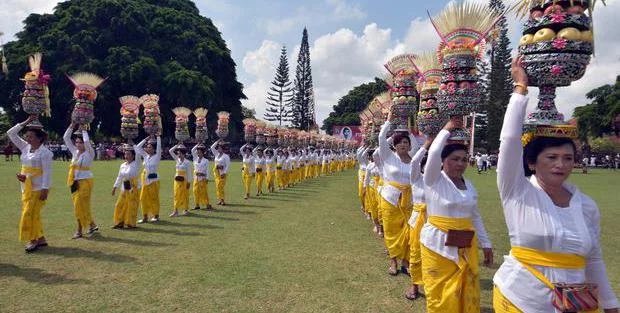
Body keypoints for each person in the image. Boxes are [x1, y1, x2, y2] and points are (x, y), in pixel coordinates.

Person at [492, 56, 619, 313]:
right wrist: (520, 88)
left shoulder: (586, 206)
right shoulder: (517, 191)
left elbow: (593, 259)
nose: (560, 164)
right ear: (531, 163)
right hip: (520, 299)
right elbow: (509, 140)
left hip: (574, 305)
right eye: (551, 157)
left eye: (568, 158)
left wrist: (611, 305)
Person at [421, 118, 493, 313]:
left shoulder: (469, 185)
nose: (460, 164)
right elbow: (434, 152)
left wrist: (486, 244)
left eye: (463, 160)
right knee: (439, 295)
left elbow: (475, 216)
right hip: (437, 245)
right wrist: (447, 129)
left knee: (464, 289)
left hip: (465, 244)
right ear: (442, 162)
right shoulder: (434, 179)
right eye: (454, 159)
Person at [378, 118, 420, 276]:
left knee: (409, 232)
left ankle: (405, 262)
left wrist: (409, 131)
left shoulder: (414, 160)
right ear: (394, 145)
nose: (403, 144)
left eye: (406, 142)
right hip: (390, 200)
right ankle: (393, 261)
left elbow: (417, 146)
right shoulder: (388, 157)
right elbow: (381, 138)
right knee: (391, 231)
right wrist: (389, 121)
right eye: (400, 142)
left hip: (409, 201)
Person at [7, 115, 53, 252]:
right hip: (25, 187)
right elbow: (11, 133)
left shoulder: (46, 153)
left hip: (38, 188)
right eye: (27, 136)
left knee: (28, 213)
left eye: (31, 136)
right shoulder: (25, 148)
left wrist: (45, 189)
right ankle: (41, 238)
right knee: (34, 214)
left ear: (39, 138)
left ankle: (32, 240)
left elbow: (47, 173)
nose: (28, 139)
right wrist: (26, 121)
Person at [405, 137, 431, 300]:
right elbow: (414, 162)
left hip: (435, 223)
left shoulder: (441, 182)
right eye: (427, 166)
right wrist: (427, 144)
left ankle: (431, 286)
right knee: (415, 254)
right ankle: (414, 286)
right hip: (417, 221)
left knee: (432, 255)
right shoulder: (416, 179)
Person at [63, 123, 98, 239]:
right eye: (77, 142)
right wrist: (72, 126)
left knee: (79, 205)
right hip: (74, 182)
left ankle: (79, 229)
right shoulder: (74, 152)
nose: (78, 144)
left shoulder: (89, 153)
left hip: (86, 181)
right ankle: (92, 224)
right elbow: (66, 138)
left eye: (80, 142)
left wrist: (84, 131)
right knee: (82, 205)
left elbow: (87, 143)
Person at [112, 145, 141, 229]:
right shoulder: (123, 165)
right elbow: (119, 177)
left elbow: (138, 153)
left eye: (128, 154)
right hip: (124, 187)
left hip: (134, 187)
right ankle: (119, 222)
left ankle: (130, 223)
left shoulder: (136, 163)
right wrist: (114, 187)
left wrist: (133, 145)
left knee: (131, 205)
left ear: (133, 155)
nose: (126, 156)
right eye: (125, 154)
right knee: (119, 205)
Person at [135, 136, 162, 223]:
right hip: (145, 179)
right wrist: (146, 139)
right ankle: (145, 216)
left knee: (154, 198)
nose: (148, 148)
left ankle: (156, 215)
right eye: (147, 147)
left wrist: (158, 137)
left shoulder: (157, 156)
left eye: (150, 147)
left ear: (154, 149)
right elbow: (138, 147)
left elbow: (159, 147)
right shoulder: (145, 156)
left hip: (154, 180)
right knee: (143, 198)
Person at [169, 144, 192, 216]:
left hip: (184, 181)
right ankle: (175, 211)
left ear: (183, 153)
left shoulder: (187, 162)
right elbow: (170, 151)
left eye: (180, 153)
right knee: (176, 195)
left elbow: (189, 173)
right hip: (177, 180)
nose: (178, 154)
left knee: (185, 195)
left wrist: (189, 182)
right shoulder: (177, 160)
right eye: (178, 153)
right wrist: (177, 145)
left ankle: (185, 210)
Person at [191, 143, 212, 211]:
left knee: (204, 192)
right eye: (198, 152)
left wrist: (207, 178)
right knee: (195, 191)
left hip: (203, 178)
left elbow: (207, 170)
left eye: (200, 152)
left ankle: (207, 204)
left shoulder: (206, 160)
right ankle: (197, 205)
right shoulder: (195, 159)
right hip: (196, 178)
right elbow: (192, 150)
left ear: (203, 153)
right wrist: (198, 144)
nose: (198, 153)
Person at [211, 139, 230, 205]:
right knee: (217, 187)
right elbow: (212, 147)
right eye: (218, 148)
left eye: (219, 148)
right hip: (216, 173)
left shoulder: (226, 156)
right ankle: (220, 199)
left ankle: (222, 200)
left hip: (222, 174)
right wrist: (217, 141)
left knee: (220, 186)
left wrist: (224, 173)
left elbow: (227, 166)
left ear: (223, 149)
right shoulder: (216, 154)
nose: (218, 149)